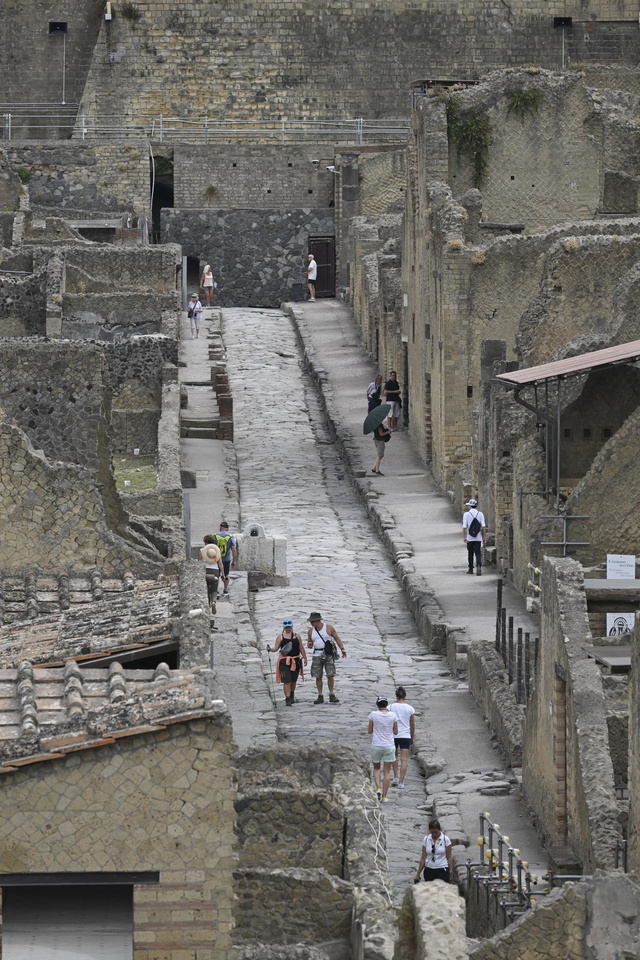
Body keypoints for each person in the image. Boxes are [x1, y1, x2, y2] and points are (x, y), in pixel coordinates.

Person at [307, 612, 346, 704]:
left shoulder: (329, 628)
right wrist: (309, 645)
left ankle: (331, 693)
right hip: (317, 654)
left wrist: (342, 649)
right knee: (318, 676)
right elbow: (310, 643)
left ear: (317, 620)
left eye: (312, 621)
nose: (311, 623)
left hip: (328, 654)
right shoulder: (310, 631)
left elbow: (337, 638)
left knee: (330, 675)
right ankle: (320, 695)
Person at [267, 618, 307, 706]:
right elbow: (276, 648)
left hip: (296, 660)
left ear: (292, 626)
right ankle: (288, 698)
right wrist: (270, 649)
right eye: (286, 627)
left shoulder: (297, 636)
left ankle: (292, 695)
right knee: (287, 681)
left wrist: (305, 658)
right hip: (284, 661)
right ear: (284, 627)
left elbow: (301, 647)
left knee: (293, 680)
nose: (288, 628)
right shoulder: (280, 637)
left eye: (289, 626)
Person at [368, 696, 398, 803]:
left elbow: (370, 731)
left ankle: (378, 788)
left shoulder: (373, 714)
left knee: (376, 768)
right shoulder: (393, 715)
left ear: (377, 705)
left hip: (376, 744)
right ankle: (385, 796)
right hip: (389, 745)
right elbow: (396, 732)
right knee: (387, 772)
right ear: (386, 704)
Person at [414, 820, 454, 884]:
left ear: (440, 830)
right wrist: (418, 874)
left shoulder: (445, 839)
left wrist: (451, 872)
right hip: (429, 870)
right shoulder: (426, 839)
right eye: (432, 833)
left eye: (436, 832)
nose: (434, 835)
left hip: (442, 870)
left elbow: (449, 857)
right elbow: (423, 858)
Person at [391, 686, 415, 788]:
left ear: (396, 696)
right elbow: (412, 725)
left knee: (394, 756)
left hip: (393, 735)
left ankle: (395, 776)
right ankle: (401, 782)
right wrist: (412, 737)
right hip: (405, 735)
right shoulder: (410, 708)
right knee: (404, 759)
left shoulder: (391, 707)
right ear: (405, 696)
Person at [199, 534, 224, 613]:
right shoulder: (216, 551)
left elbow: (199, 562)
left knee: (206, 589)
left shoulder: (202, 550)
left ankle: (207, 606)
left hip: (205, 570)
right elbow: (220, 564)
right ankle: (214, 601)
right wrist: (223, 574)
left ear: (205, 542)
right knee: (214, 589)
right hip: (215, 570)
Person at [462, 498, 487, 576]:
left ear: (470, 506)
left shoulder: (466, 514)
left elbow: (464, 527)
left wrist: (464, 537)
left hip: (469, 538)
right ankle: (479, 566)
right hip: (478, 537)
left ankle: (470, 569)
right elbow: (483, 526)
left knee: (470, 553)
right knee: (478, 553)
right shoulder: (480, 514)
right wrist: (484, 537)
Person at [216, 521, 237, 595]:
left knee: (216, 575)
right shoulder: (230, 537)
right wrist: (234, 561)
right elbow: (234, 550)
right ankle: (225, 590)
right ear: (227, 529)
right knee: (226, 574)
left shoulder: (215, 536)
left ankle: (216, 591)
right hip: (226, 559)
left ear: (220, 528)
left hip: (217, 559)